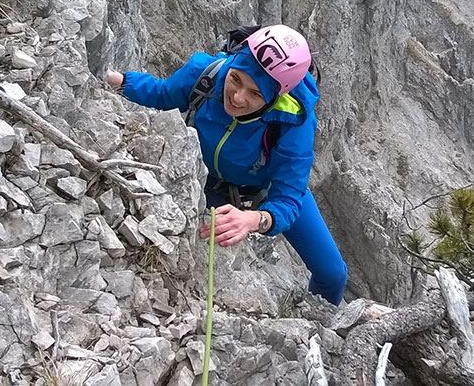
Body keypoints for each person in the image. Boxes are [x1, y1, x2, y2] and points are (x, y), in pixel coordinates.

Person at [105, 24, 348, 305]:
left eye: (256, 94)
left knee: (333, 274)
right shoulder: (206, 75)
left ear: (275, 97)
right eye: (236, 79)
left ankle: (322, 324)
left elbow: (289, 196)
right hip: (206, 185)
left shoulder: (293, 122)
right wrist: (119, 80)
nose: (237, 97)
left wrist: (255, 219)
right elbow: (163, 94)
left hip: (264, 192)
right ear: (232, 63)